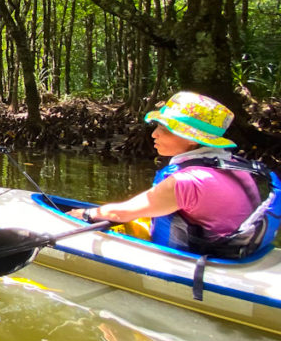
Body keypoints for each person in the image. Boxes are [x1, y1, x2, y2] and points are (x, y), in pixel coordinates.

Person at [67, 91, 265, 256]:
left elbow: (119, 213)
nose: (154, 135)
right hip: (238, 252)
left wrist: (84, 213)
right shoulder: (235, 166)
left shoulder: (188, 181)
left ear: (191, 139)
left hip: (202, 261)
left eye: (164, 130)